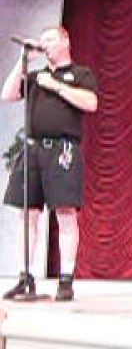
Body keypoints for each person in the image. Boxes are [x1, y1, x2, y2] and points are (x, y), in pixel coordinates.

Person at [1, 25, 98, 301]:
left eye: (50, 40)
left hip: (62, 150)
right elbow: (7, 95)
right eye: (42, 41)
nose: (45, 45)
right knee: (27, 214)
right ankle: (25, 276)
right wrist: (22, 61)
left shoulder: (80, 74)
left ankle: (66, 279)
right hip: (32, 150)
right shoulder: (35, 77)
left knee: (65, 214)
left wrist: (56, 86)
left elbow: (91, 103)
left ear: (65, 41)